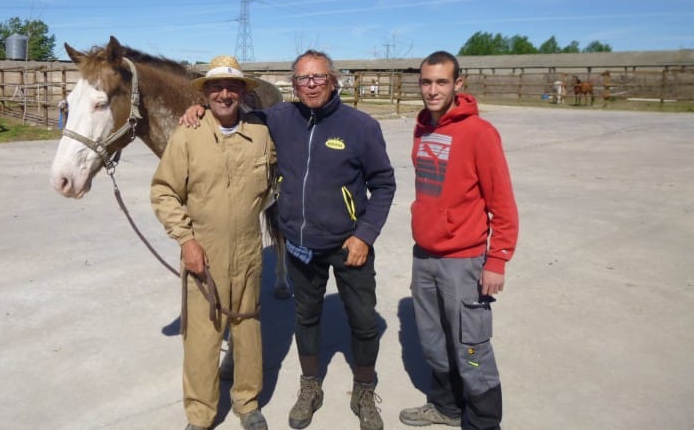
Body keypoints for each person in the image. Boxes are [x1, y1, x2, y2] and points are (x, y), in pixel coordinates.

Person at [182, 50, 396, 430]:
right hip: (300, 247)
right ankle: (310, 386)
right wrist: (199, 109)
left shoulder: (360, 126)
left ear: (333, 81)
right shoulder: (280, 118)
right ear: (294, 85)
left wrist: (365, 235)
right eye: (302, 79)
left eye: (317, 77)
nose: (309, 85)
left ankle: (364, 390)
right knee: (306, 317)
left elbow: (383, 184)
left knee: (363, 322)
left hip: (349, 246)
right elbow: (232, 114)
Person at [151, 55, 275, 430]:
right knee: (203, 338)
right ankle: (201, 414)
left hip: (250, 250)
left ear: (242, 92)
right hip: (203, 253)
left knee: (248, 329)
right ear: (205, 94)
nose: (224, 94)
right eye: (216, 87)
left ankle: (247, 402)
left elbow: (271, 185)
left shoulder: (261, 134)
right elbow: (164, 192)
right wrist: (187, 241)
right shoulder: (186, 135)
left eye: (232, 87)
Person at [399, 51, 518, 430]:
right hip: (425, 255)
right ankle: (446, 408)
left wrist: (496, 259)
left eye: (441, 82)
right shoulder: (423, 128)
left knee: (472, 346)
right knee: (433, 340)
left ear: (458, 84)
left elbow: (501, 200)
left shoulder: (479, 133)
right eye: (426, 82)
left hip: (463, 259)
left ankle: (484, 423)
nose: (432, 90)